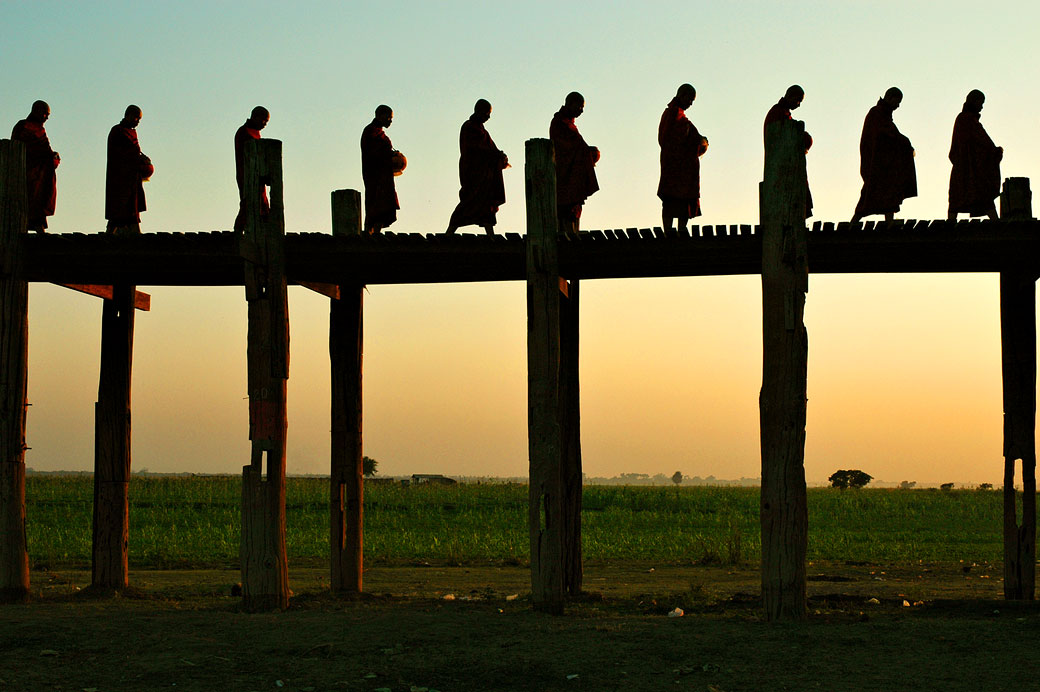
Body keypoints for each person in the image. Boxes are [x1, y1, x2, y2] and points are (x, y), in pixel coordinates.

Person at [852, 88, 916, 223]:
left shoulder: (884, 115)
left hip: (886, 164)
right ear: (890, 97)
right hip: (878, 164)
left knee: (889, 197)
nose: (898, 106)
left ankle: (889, 224)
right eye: (897, 101)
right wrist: (905, 143)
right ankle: (852, 225)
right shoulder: (876, 113)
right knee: (869, 196)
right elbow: (883, 135)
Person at [445, 99, 508, 235]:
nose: (488, 117)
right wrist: (495, 155)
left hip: (485, 175)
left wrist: (500, 156)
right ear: (479, 111)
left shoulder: (481, 130)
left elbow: (490, 148)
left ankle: (490, 235)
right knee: (469, 201)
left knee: (486, 205)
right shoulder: (469, 127)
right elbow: (476, 149)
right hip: (473, 172)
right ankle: (449, 233)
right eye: (487, 113)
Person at [657, 84, 707, 233]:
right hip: (673, 166)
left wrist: (700, 141)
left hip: (683, 168)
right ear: (682, 95)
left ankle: (681, 229)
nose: (690, 104)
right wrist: (697, 141)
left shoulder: (680, 117)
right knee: (671, 198)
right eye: (690, 99)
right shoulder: (672, 114)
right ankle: (668, 230)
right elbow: (666, 139)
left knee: (683, 199)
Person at [948, 89, 1002, 221]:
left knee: (977, 195)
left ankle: (995, 221)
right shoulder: (966, 120)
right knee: (978, 193)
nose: (982, 106)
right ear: (974, 101)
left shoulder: (968, 120)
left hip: (970, 166)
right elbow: (981, 141)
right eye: (981, 102)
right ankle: (950, 223)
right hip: (969, 167)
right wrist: (995, 151)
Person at [550, 91, 599, 235]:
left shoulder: (569, 124)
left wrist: (589, 153)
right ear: (571, 104)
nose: (581, 111)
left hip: (573, 175)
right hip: (565, 176)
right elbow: (567, 147)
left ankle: (573, 233)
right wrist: (586, 153)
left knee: (574, 207)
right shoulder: (559, 123)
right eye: (580, 107)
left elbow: (577, 147)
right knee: (566, 208)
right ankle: (568, 234)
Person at [764, 85, 813, 218]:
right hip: (782, 169)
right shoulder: (777, 113)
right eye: (798, 101)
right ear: (790, 96)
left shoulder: (783, 113)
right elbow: (783, 138)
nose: (798, 105)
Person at [11, 100, 60, 232]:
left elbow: (45, 149)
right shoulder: (23, 126)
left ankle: (39, 227)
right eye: (45, 113)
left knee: (39, 202)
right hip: (26, 172)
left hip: (40, 174)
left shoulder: (40, 130)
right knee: (26, 202)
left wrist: (53, 156)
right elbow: (24, 147)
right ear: (36, 111)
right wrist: (48, 156)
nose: (47, 117)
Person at [105, 105, 151, 234]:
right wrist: (137, 160)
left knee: (132, 205)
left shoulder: (132, 133)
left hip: (132, 177)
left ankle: (128, 230)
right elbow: (123, 153)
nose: (137, 121)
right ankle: (115, 231)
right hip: (120, 176)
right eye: (136, 118)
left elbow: (136, 151)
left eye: (139, 119)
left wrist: (144, 160)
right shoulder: (117, 131)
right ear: (128, 115)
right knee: (121, 205)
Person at [360, 104, 399, 234]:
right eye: (389, 117)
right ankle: (371, 232)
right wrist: (389, 155)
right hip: (374, 175)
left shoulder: (379, 133)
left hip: (384, 175)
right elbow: (373, 153)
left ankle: (376, 232)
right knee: (375, 202)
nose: (390, 121)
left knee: (385, 203)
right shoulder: (370, 131)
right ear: (380, 115)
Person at [233, 106, 270, 231]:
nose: (265, 124)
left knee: (262, 204)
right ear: (255, 117)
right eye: (264, 120)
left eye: (267, 122)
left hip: (258, 176)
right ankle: (238, 234)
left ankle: (263, 231)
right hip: (247, 175)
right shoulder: (244, 132)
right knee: (249, 203)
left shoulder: (254, 133)